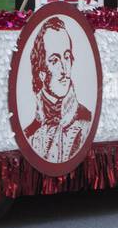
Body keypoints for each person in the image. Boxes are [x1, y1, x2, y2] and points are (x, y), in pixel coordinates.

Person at [22, 17, 93, 163]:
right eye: (54, 60)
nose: (64, 69)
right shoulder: (30, 134)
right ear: (41, 71)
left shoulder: (86, 121)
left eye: (67, 57)